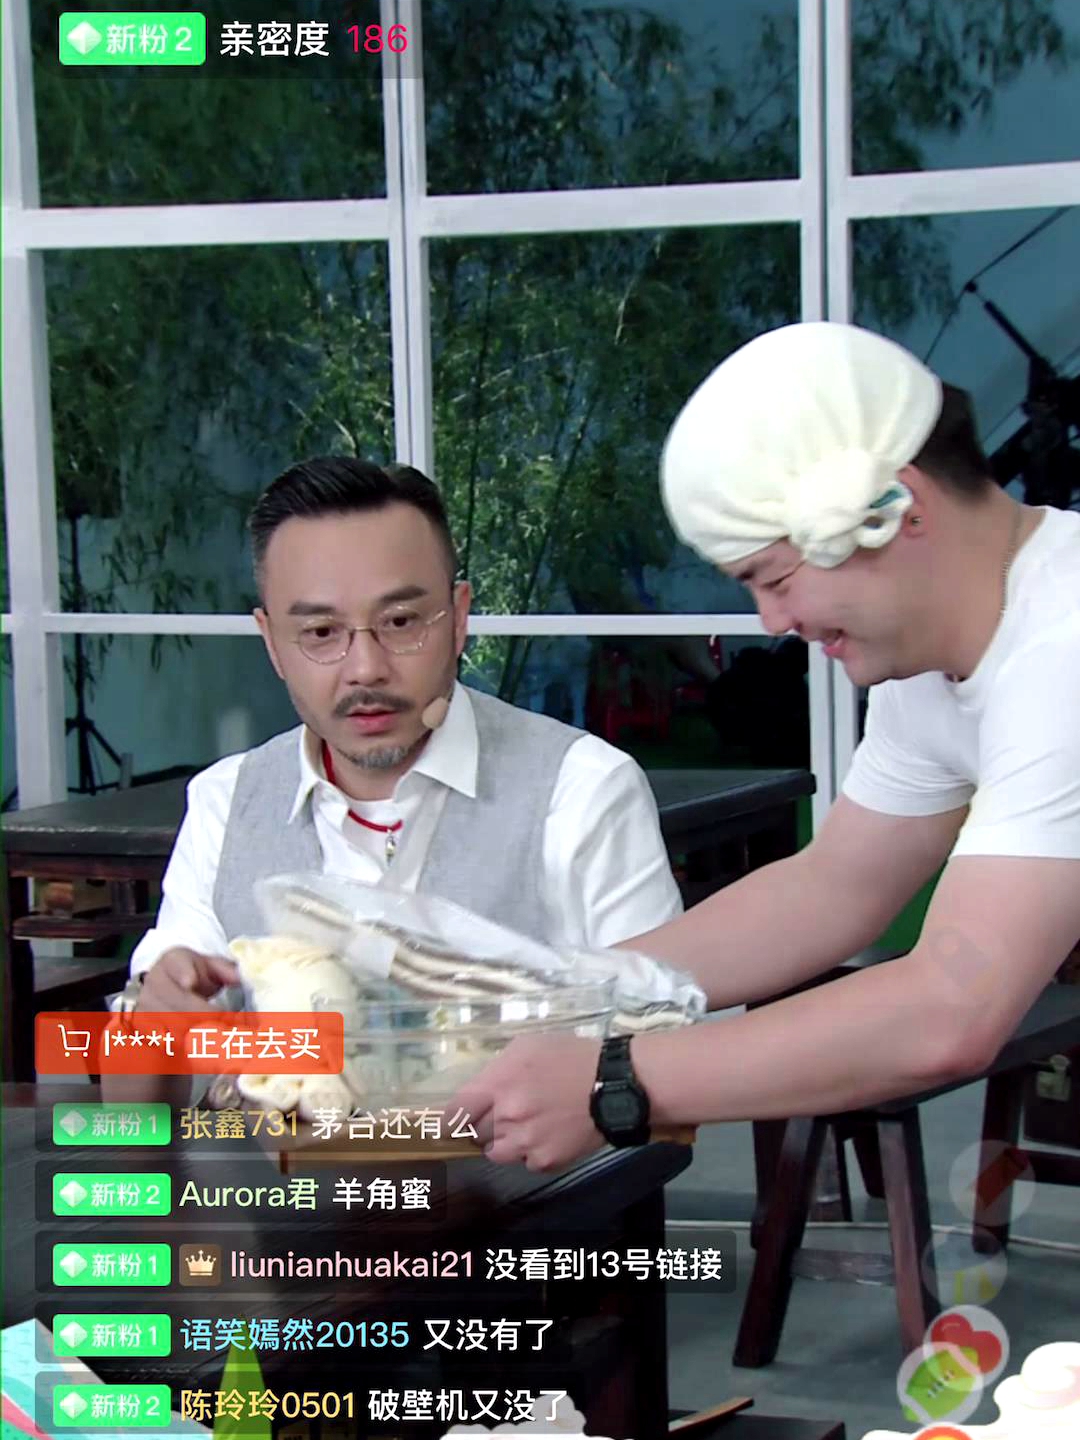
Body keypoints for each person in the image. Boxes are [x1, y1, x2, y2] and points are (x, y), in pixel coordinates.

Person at [455, 321, 1080, 1170]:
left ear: (896, 508)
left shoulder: (1062, 648)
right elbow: (836, 887)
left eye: (777, 578)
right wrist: (559, 995)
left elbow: (950, 1008)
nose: (773, 622)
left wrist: (613, 1085)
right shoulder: (933, 662)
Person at [106, 456, 681, 1105]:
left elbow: (662, 1060)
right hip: (276, 1169)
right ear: (271, 642)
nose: (365, 668)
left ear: (459, 616)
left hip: (515, 1168)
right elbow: (132, 1122)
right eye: (320, 632)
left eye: (402, 622)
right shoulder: (227, 802)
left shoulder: (582, 790)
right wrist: (152, 1021)